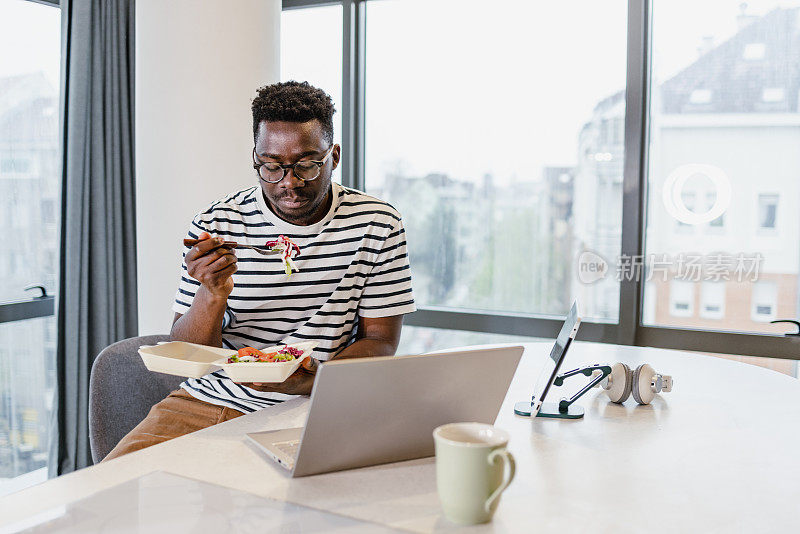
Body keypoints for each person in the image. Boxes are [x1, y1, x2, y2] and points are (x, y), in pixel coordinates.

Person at [104, 81, 415, 460]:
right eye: (271, 166)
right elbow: (188, 354)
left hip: (323, 401)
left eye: (307, 165)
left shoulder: (376, 223)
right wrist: (211, 294)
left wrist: (313, 381)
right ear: (255, 158)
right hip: (216, 399)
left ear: (334, 155)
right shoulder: (217, 224)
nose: (290, 183)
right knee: (114, 485)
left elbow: (381, 341)